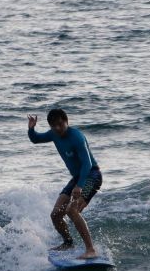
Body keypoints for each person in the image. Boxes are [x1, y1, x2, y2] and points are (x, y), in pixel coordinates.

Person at [27, 108, 103, 259]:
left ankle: (90, 249)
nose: (57, 128)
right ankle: (68, 243)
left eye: (60, 124)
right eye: (53, 125)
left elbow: (87, 164)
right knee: (55, 214)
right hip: (77, 178)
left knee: (71, 210)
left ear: (67, 122)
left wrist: (80, 186)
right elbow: (36, 139)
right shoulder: (54, 134)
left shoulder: (77, 137)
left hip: (91, 176)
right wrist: (31, 128)